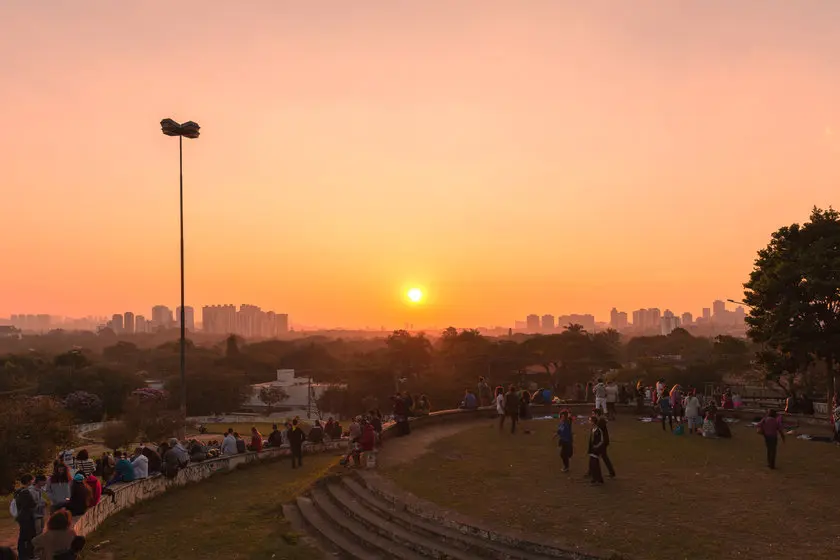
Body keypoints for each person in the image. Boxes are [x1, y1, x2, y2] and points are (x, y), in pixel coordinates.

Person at [13, 474, 37, 560]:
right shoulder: (26, 492)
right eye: (32, 480)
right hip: (27, 517)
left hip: (21, 517)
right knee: (29, 536)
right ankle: (28, 554)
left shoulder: (18, 491)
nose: (33, 482)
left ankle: (22, 554)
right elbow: (32, 504)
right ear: (28, 481)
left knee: (22, 535)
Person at [593, 409, 616, 478]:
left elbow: (598, 431)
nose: (593, 415)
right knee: (603, 457)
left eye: (593, 413)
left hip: (602, 442)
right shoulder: (600, 420)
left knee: (595, 456)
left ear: (596, 414)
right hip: (603, 442)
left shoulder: (601, 421)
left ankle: (593, 473)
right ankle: (611, 472)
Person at [587, 416, 605, 484]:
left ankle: (599, 479)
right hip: (592, 449)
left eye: (590, 421)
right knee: (592, 465)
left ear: (593, 422)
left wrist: (596, 447)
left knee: (595, 465)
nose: (589, 422)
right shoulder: (592, 429)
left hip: (596, 450)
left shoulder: (598, 430)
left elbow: (601, 441)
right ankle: (595, 478)